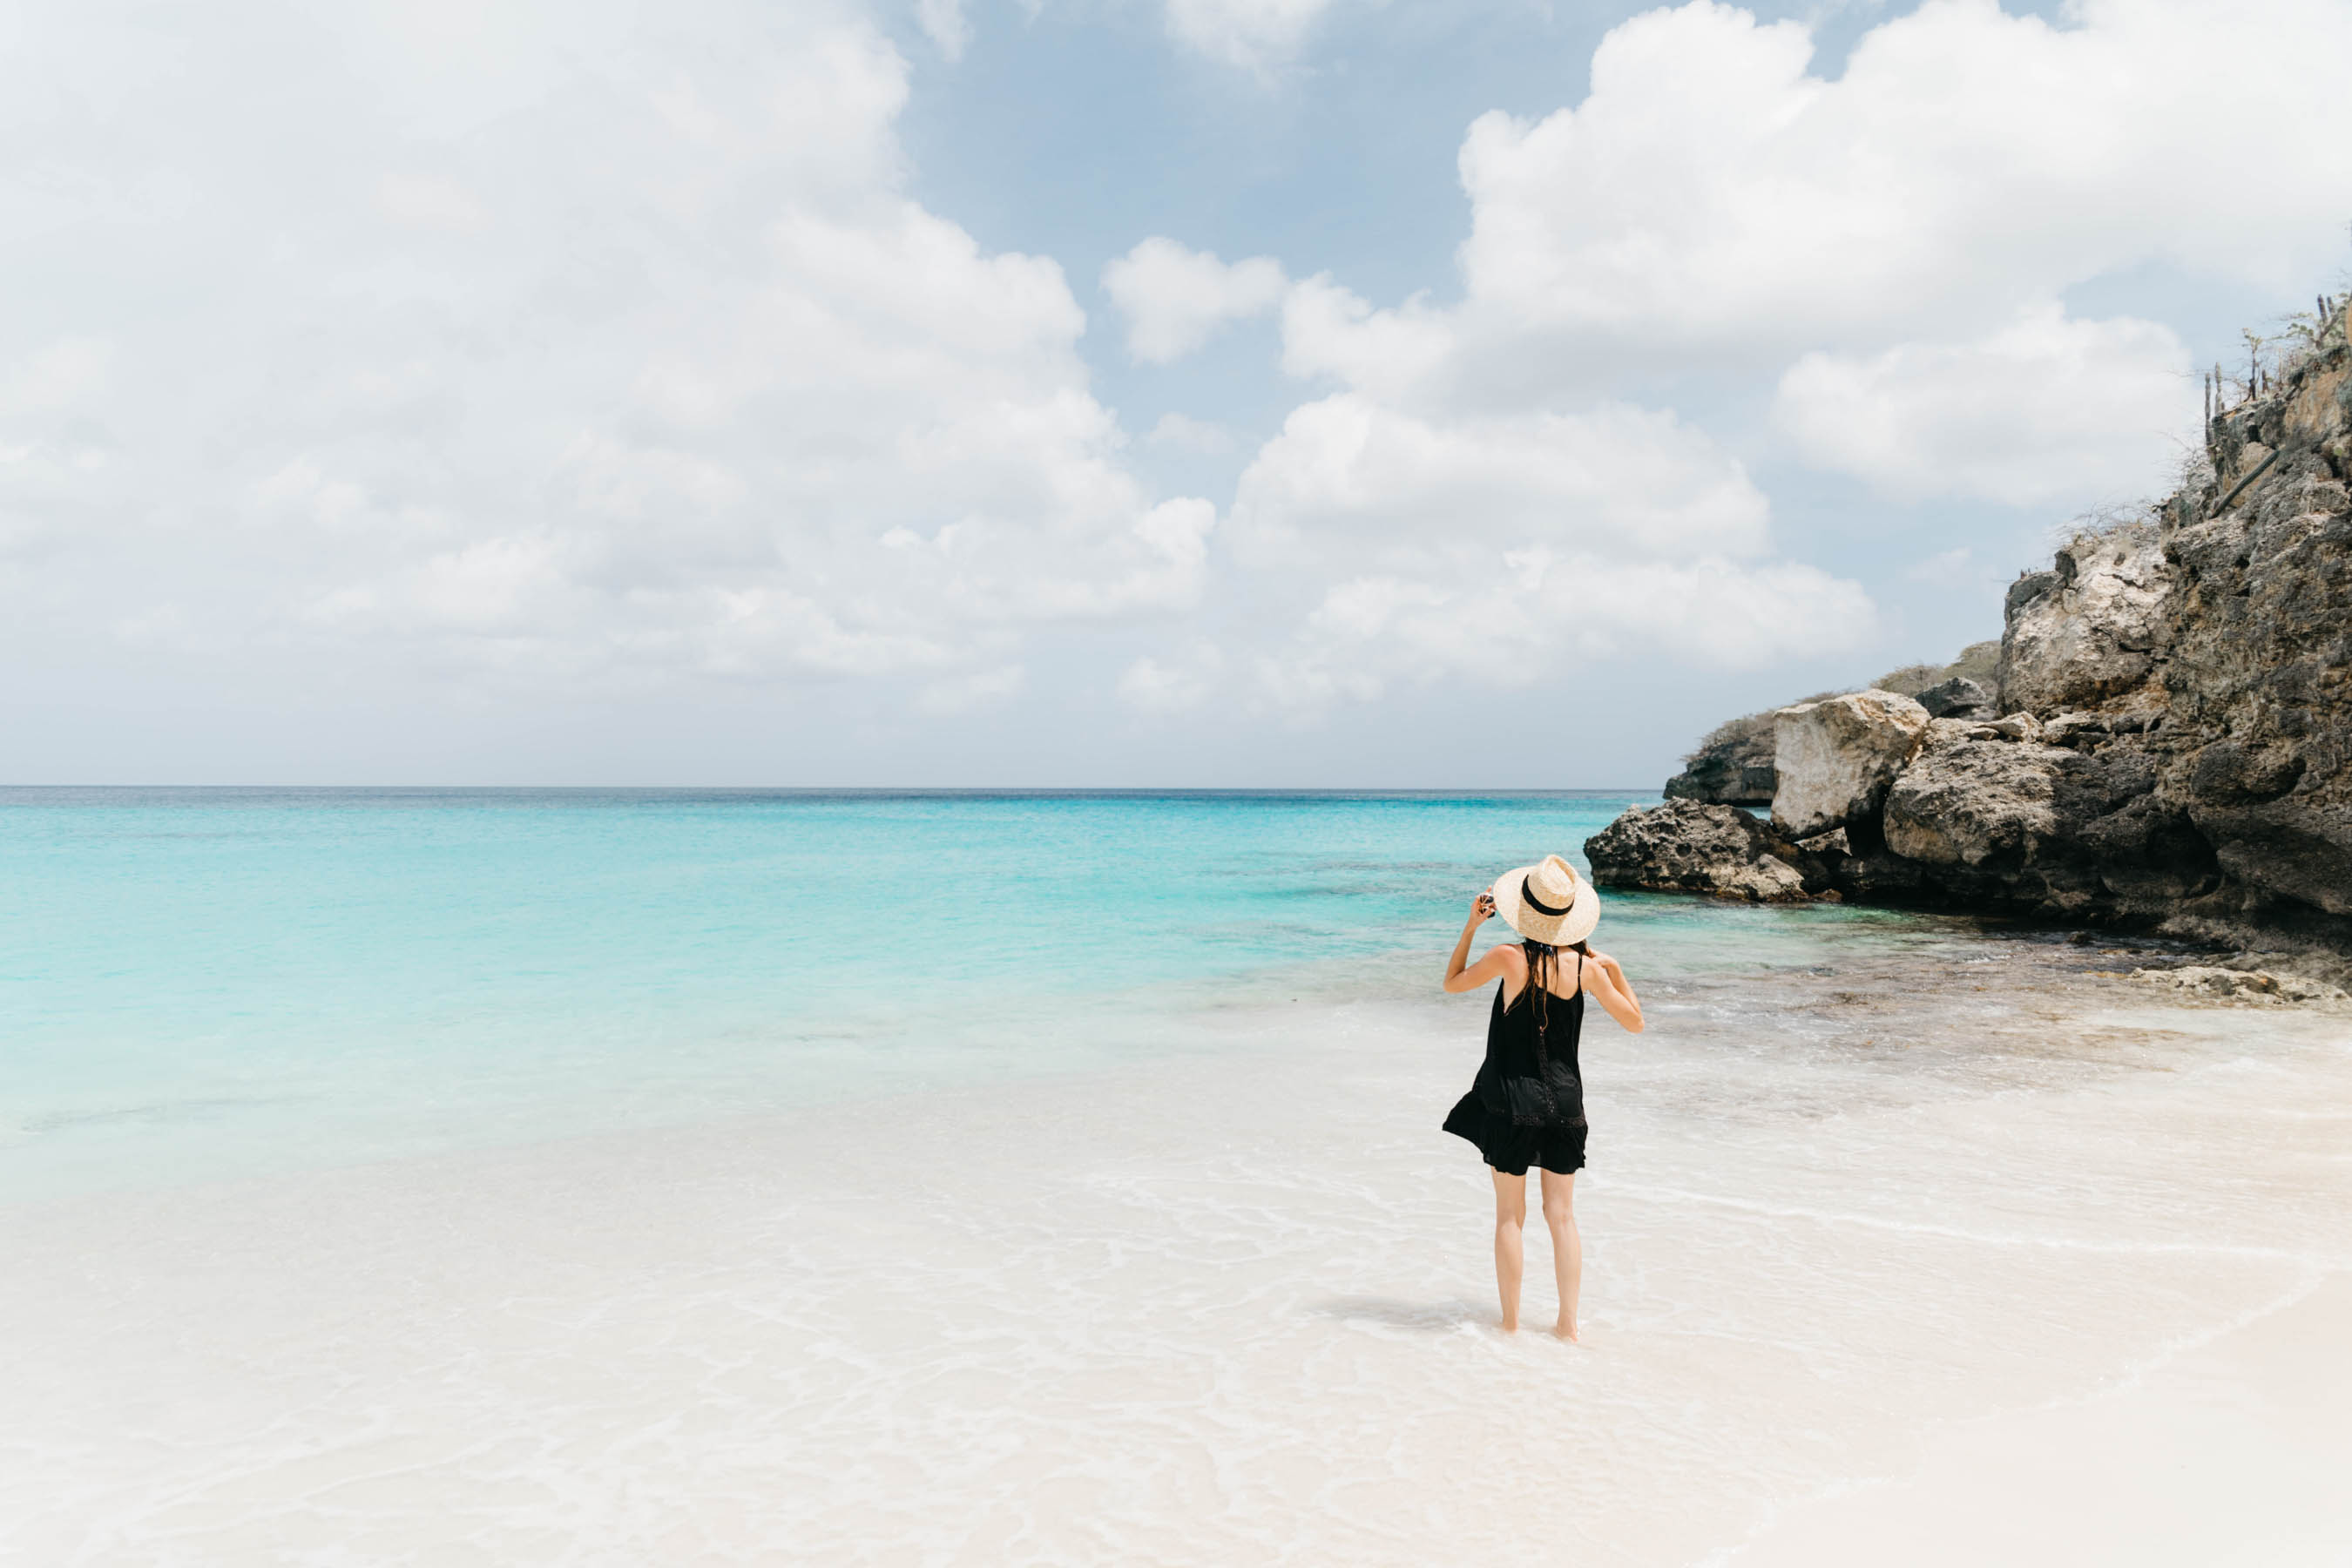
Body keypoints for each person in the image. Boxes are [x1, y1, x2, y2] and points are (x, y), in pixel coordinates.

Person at [1440, 854, 1643, 1340]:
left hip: (1512, 1104)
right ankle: (1567, 1327)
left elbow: (1451, 984)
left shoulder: (1510, 958)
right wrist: (1614, 970)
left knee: (1511, 1216)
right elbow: (1635, 1022)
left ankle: (1510, 1326)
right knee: (1563, 1218)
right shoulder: (1588, 970)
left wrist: (1470, 928)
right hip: (1567, 1108)